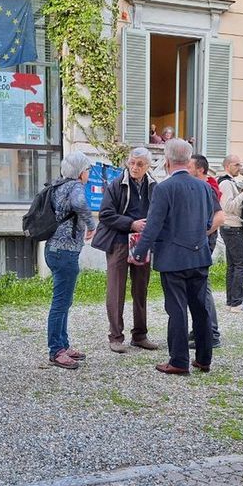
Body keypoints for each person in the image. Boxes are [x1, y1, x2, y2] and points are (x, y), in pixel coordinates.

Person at [132, 139, 224, 375]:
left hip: (173, 259)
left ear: (167, 160)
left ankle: (179, 361)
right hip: (199, 255)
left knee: (177, 310)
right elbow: (208, 221)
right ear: (188, 159)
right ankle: (204, 359)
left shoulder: (164, 188)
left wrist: (139, 252)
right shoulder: (204, 187)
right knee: (201, 309)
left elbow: (153, 225)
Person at [91, 147, 160, 353]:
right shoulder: (116, 184)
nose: (134, 167)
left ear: (148, 166)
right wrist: (131, 224)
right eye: (131, 163)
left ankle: (140, 335)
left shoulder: (154, 186)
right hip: (119, 241)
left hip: (142, 242)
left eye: (140, 164)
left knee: (140, 289)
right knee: (116, 290)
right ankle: (115, 337)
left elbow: (159, 212)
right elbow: (105, 214)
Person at [46, 152, 97, 369]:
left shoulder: (58, 185)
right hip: (65, 253)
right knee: (60, 303)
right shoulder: (75, 186)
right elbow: (79, 202)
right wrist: (92, 225)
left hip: (54, 250)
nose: (88, 173)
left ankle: (63, 345)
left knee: (64, 301)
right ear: (80, 171)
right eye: (87, 169)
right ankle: (56, 350)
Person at [217, 154, 243, 313]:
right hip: (233, 227)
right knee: (242, 265)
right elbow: (228, 207)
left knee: (233, 266)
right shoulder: (226, 183)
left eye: (240, 165)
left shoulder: (229, 182)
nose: (240, 168)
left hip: (230, 227)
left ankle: (231, 302)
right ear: (227, 166)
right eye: (237, 165)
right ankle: (237, 303)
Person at [188, 153, 222, 349]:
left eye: (189, 167)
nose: (186, 170)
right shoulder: (199, 187)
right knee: (195, 288)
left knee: (203, 288)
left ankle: (212, 333)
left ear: (200, 169)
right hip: (198, 244)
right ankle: (200, 329)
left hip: (203, 245)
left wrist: (201, 235)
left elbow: (220, 218)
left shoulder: (207, 188)